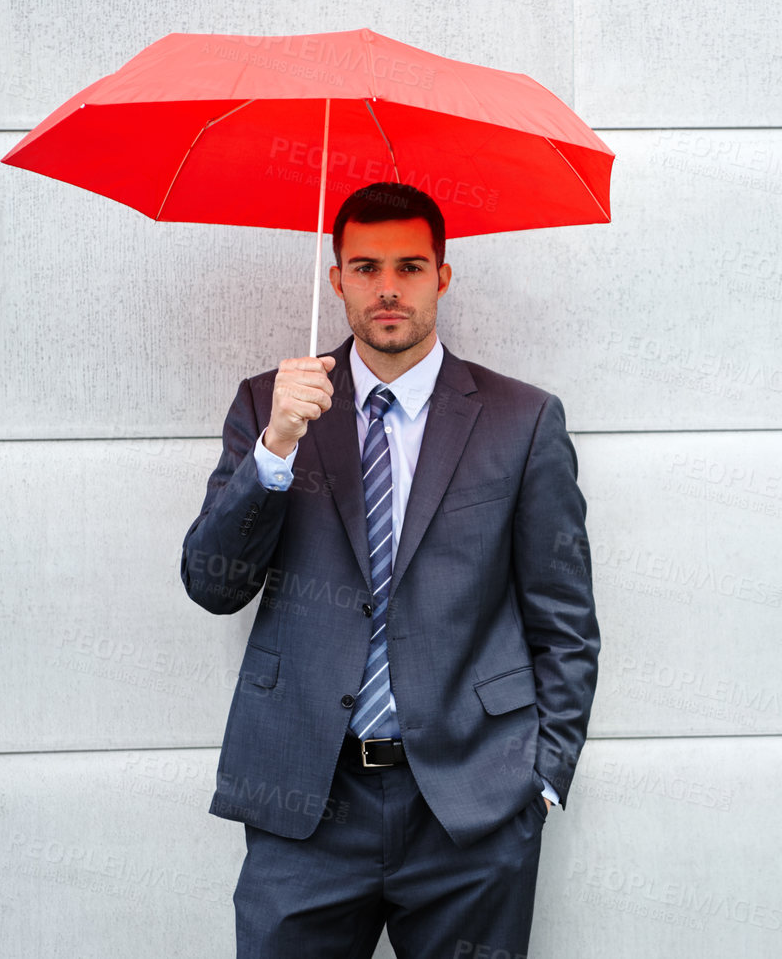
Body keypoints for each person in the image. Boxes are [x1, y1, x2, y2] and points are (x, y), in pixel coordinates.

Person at [180, 181, 599, 958]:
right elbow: (214, 586)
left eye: (410, 266)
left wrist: (540, 782)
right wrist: (274, 450)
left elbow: (565, 623)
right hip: (303, 794)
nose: (388, 289)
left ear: (442, 275)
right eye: (365, 267)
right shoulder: (270, 408)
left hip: (470, 806)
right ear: (335, 278)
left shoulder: (522, 421)